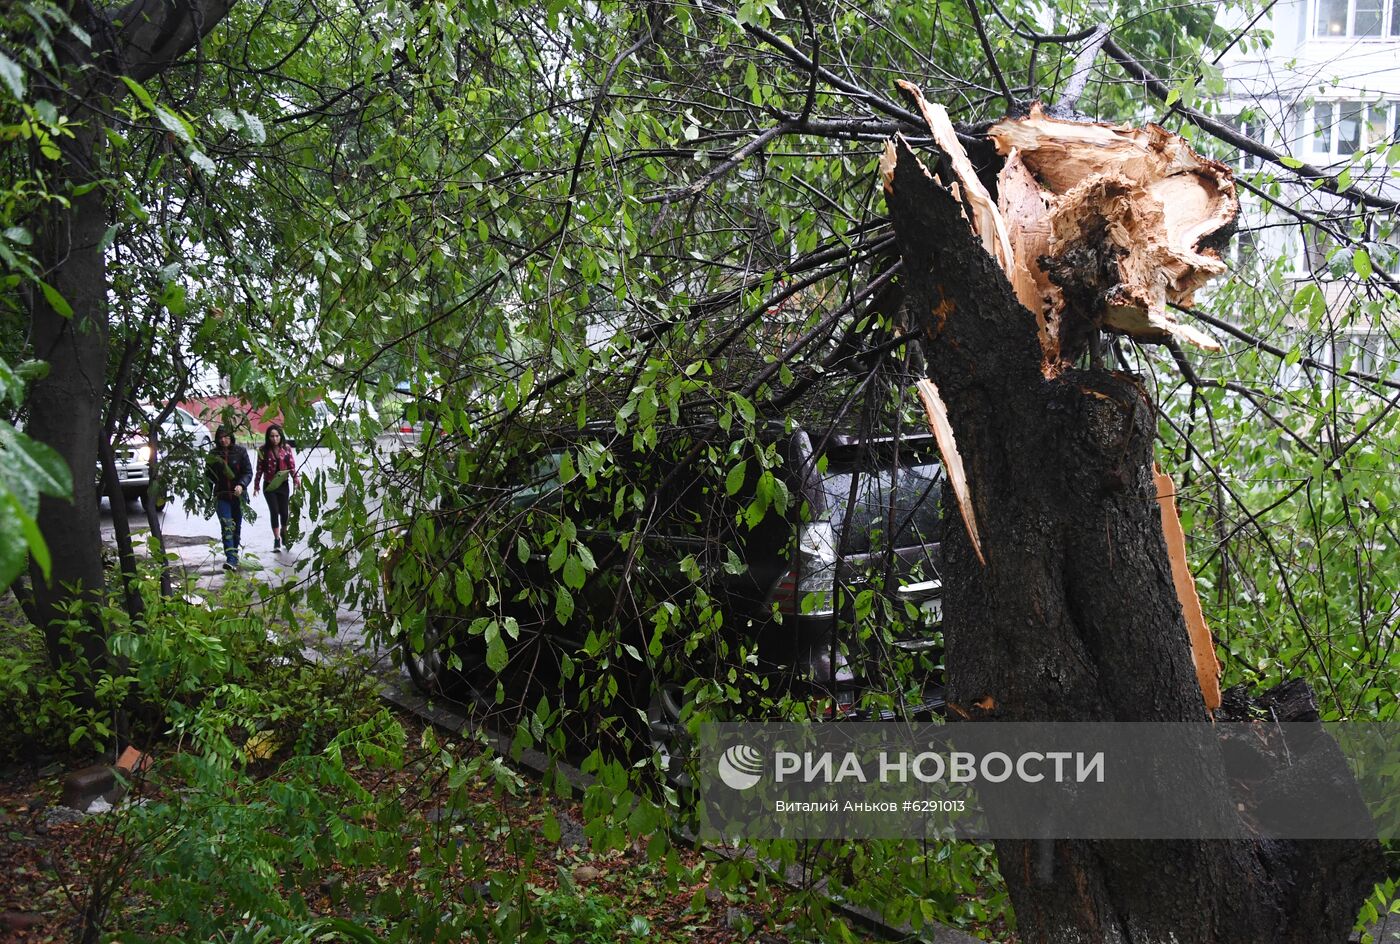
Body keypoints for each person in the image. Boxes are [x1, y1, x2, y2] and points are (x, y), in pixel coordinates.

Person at [206, 425, 252, 571]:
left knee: (236, 526)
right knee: (226, 526)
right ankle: (230, 559)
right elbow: (208, 476)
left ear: (231, 437)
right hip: (221, 495)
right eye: (221, 437)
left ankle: (234, 555)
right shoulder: (213, 454)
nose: (223, 440)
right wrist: (206, 494)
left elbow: (248, 472)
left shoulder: (240, 452)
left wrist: (241, 485)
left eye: (226, 437)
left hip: (238, 496)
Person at [253, 424, 300, 552]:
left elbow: (292, 466)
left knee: (284, 512)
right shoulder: (263, 450)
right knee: (274, 511)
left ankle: (285, 534)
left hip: (283, 484)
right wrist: (256, 485)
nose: (274, 439)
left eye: (277, 436)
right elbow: (259, 469)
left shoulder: (287, 448)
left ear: (281, 436)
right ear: (268, 437)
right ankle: (276, 539)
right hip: (269, 485)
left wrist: (296, 479)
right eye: (272, 436)